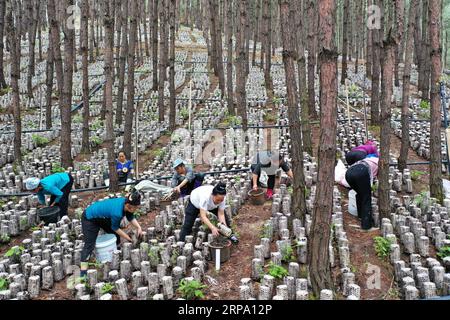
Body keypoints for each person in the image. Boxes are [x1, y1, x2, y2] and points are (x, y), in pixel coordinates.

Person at [79, 191, 143, 277]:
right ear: (128, 206)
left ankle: (115, 257)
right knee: (89, 245)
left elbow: (130, 216)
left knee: (115, 237)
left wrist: (139, 227)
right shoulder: (117, 212)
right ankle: (83, 273)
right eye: (136, 207)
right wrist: (128, 238)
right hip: (89, 217)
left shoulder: (126, 203)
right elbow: (115, 228)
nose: (137, 209)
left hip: (103, 217)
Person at [345, 156, 379, 231]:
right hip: (361, 172)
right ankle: (366, 226)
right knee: (366, 197)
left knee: (360, 194)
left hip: (348, 173)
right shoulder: (380, 163)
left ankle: (360, 215)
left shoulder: (369, 159)